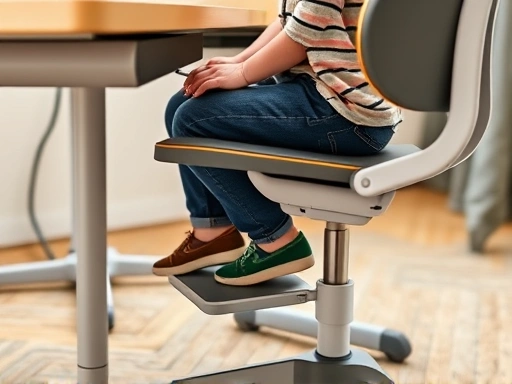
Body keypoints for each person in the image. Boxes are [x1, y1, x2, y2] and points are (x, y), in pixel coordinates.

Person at [152, 0, 402, 286]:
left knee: (191, 120)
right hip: (321, 89)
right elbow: (291, 21)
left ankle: (276, 239)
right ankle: (213, 232)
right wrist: (238, 62)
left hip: (345, 111)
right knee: (184, 102)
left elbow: (307, 28)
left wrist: (243, 73)